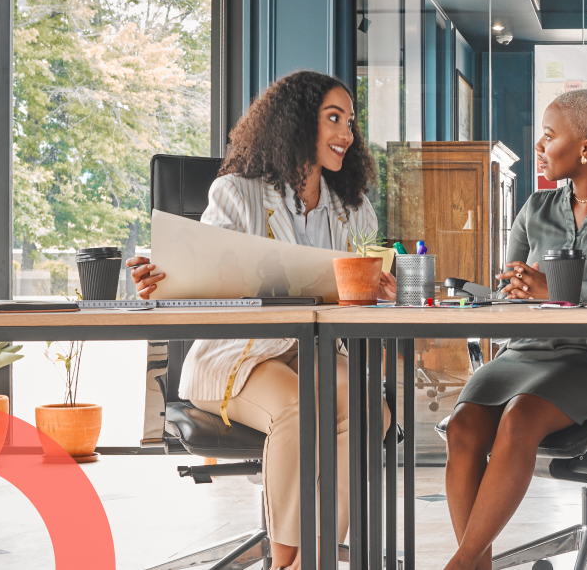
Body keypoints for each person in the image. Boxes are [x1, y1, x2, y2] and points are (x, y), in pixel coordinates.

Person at [128, 70, 392, 570]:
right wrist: (161, 278)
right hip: (236, 353)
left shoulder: (353, 211)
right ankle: (290, 560)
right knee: (298, 406)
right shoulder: (236, 193)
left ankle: (313, 555)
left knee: (370, 409)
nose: (347, 134)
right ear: (296, 124)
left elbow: (357, 291)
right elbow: (203, 274)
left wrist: (376, 291)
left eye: (351, 122)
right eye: (333, 118)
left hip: (309, 350)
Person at [442, 89, 587, 570]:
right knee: (464, 426)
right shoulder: (535, 207)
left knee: (521, 417)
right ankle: (475, 564)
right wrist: (511, 293)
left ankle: (461, 565)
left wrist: (557, 289)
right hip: (526, 350)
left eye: (549, 136)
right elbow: (513, 291)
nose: (540, 148)